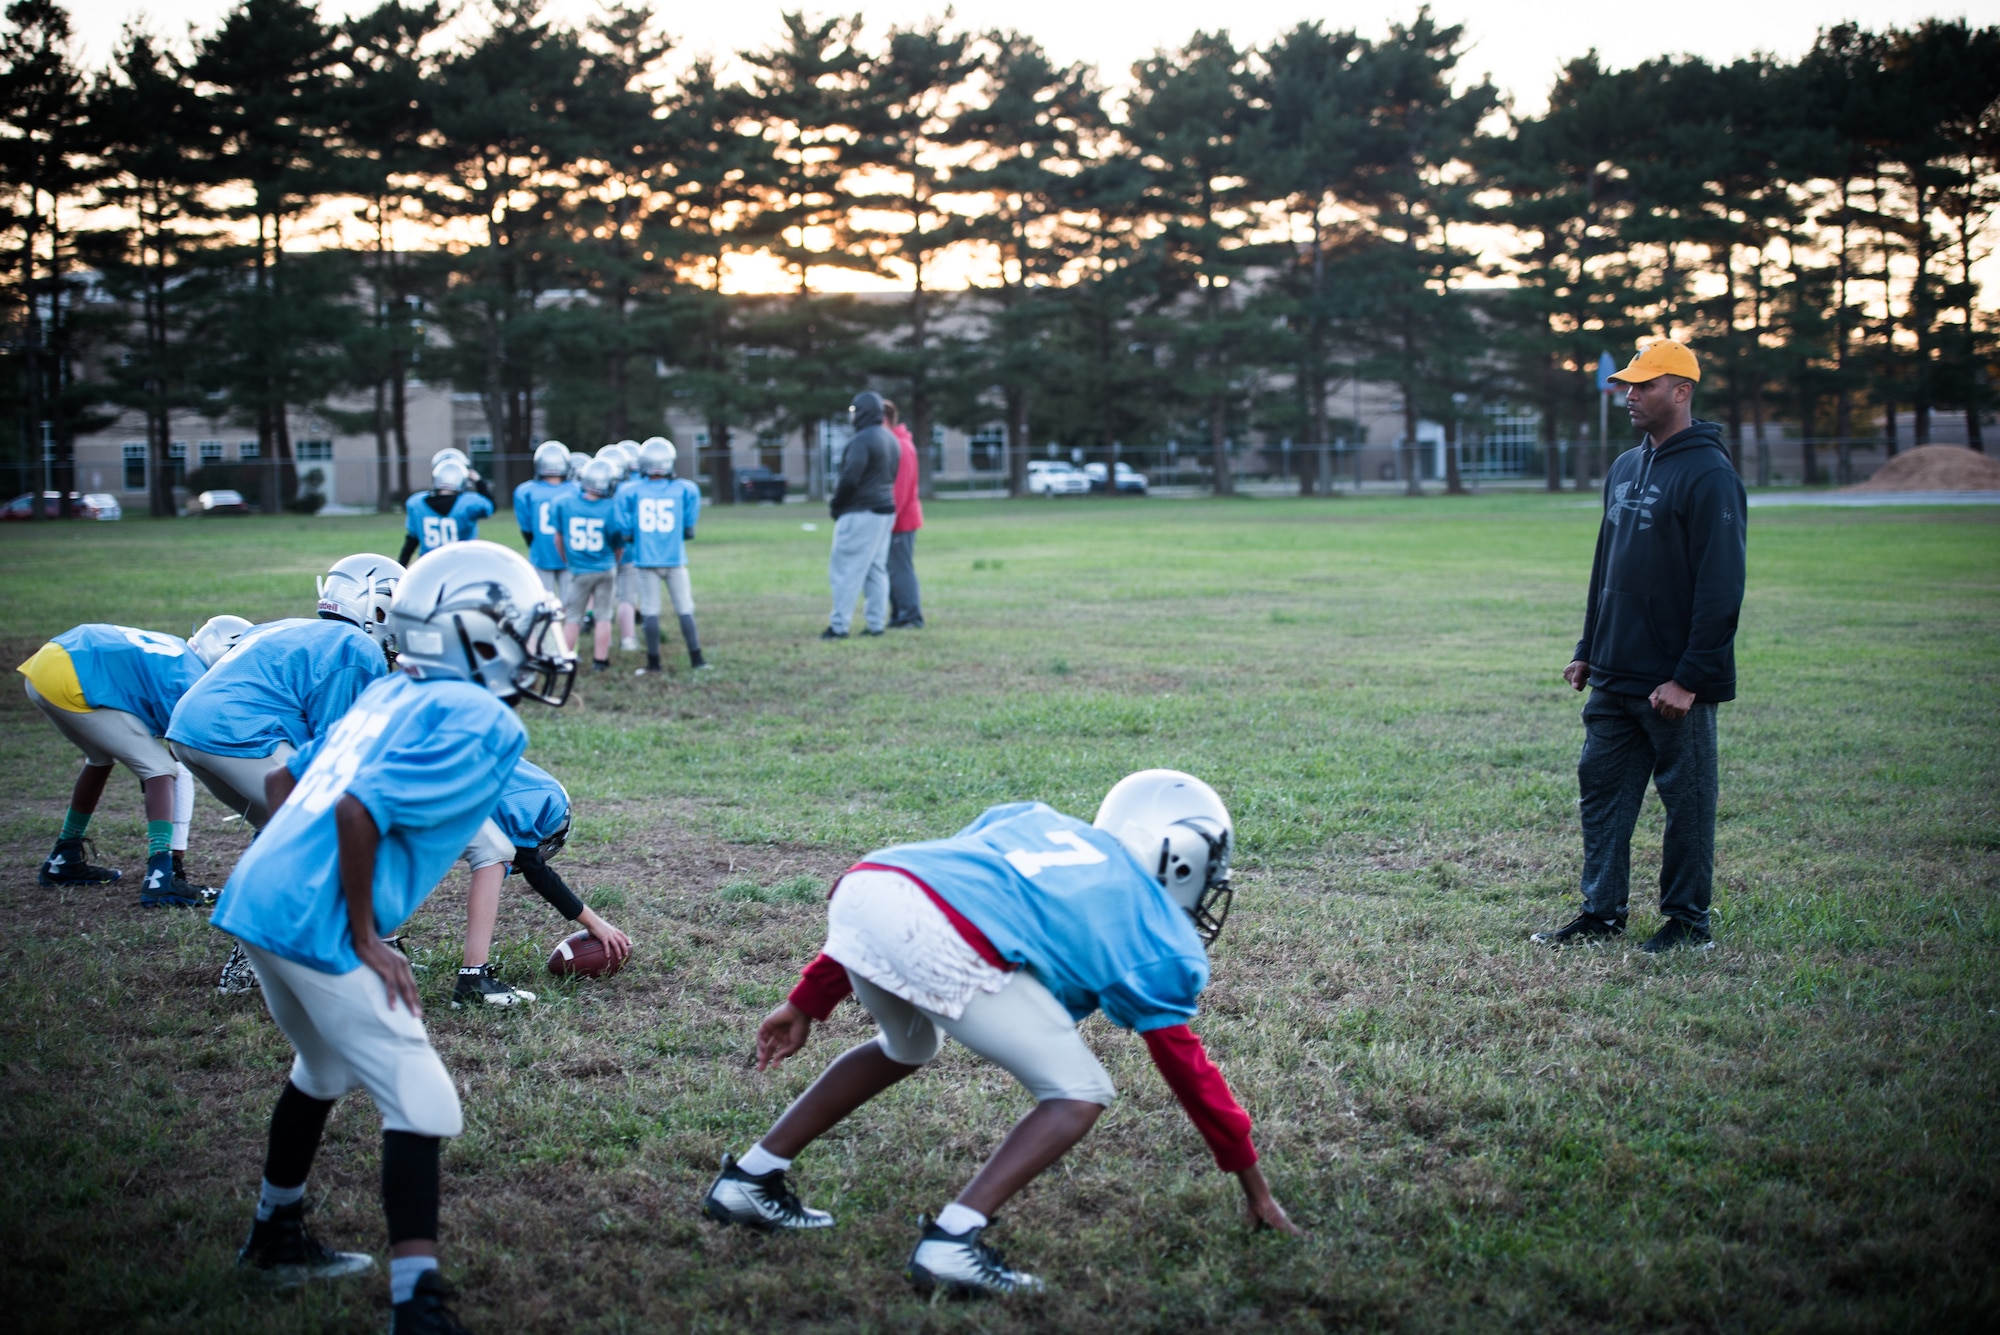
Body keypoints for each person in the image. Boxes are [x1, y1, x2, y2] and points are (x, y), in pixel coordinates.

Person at [701, 769, 1299, 1298]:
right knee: (1079, 1090)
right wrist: (1254, 1185)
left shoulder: (1035, 820)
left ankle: (749, 1179)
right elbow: (1189, 1073)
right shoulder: (1152, 928)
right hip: (935, 924)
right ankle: (953, 1242)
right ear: (1182, 858)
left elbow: (923, 888)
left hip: (870, 882)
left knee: (909, 1044)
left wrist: (806, 999)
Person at [214, 539, 573, 1334]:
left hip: (259, 897)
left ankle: (276, 1233)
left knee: (324, 1064)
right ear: (468, 634)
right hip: (316, 919)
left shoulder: (388, 691)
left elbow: (284, 783)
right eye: (515, 628)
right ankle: (419, 1305)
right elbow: (356, 809)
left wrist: (294, 866)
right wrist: (367, 933)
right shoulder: (480, 716)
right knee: (424, 1099)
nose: (535, 646)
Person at [1538, 339, 1746, 954]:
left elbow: (1721, 586)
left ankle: (1687, 923)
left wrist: (1689, 679)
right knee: (1602, 795)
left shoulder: (1710, 474)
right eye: (1628, 384)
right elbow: (1607, 568)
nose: (1630, 394)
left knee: (1687, 805)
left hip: (1672, 685)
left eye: (1645, 385)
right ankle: (1601, 914)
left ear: (1681, 391)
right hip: (1614, 674)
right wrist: (1587, 647)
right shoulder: (1625, 467)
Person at [19, 615, 252, 906]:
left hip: (46, 665)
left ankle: (64, 856)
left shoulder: (179, 653)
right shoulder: (191, 680)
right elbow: (180, 759)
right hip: (69, 677)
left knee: (100, 758)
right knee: (161, 768)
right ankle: (161, 877)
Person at [168, 554, 402, 829]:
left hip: (186, 728)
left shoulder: (283, 625)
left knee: (274, 830)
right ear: (376, 601)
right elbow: (335, 747)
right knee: (329, 820)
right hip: (235, 732)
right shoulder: (356, 645)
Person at [451, 758, 631, 1007]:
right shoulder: (549, 802)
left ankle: (386, 947)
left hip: (403, 772)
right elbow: (534, 869)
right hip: (430, 780)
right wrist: (595, 923)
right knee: (496, 851)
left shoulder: (520, 782)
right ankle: (474, 979)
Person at [616, 437, 707, 675]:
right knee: (684, 608)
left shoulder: (631, 490)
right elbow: (689, 527)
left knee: (650, 611)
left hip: (646, 561)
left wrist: (630, 534)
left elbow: (624, 528)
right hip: (675, 558)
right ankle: (697, 659)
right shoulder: (683, 489)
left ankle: (654, 663)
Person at [821, 390, 898, 640]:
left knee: (846, 569)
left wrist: (837, 505)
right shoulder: (890, 439)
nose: (851, 416)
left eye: (854, 411)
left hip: (861, 511)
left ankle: (839, 626)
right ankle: (876, 624)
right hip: (885, 511)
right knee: (876, 569)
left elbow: (850, 478)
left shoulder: (862, 441)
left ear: (863, 412)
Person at [552, 458, 627, 673]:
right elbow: (618, 544)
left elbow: (558, 538)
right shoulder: (610, 507)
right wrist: (614, 561)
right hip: (605, 567)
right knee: (603, 615)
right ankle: (600, 661)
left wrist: (569, 560)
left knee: (573, 617)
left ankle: (566, 660)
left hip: (579, 569)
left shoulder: (566, 503)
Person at [399, 457, 495, 566]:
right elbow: (491, 507)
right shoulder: (469, 502)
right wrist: (479, 482)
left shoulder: (417, 503)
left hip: (429, 565)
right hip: (463, 563)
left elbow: (412, 540)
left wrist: (401, 565)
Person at [513, 441, 576, 597]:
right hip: (570, 550)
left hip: (541, 551)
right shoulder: (575, 489)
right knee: (571, 604)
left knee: (543, 601)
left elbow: (526, 526)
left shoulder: (526, 491)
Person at [882, 401, 925, 630]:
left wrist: (889, 517)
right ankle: (898, 614)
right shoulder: (894, 444)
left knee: (900, 570)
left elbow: (900, 488)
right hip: (895, 520)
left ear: (884, 419)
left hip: (901, 521)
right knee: (892, 570)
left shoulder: (901, 446)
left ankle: (910, 617)